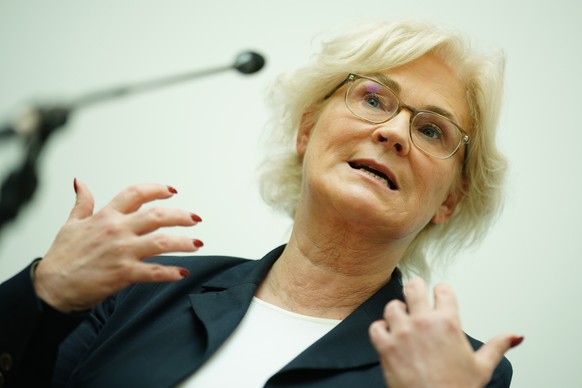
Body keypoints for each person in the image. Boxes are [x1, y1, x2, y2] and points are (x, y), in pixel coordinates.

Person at [0, 19, 522, 387]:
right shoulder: (136, 293)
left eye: (432, 129)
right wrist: (40, 292)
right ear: (308, 130)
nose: (392, 133)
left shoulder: (460, 372)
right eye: (372, 99)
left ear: (449, 200)